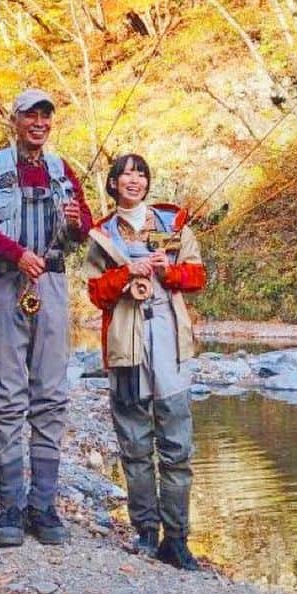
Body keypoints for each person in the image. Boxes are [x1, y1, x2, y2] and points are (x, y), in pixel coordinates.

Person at [0, 87, 94, 547]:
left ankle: (44, 505)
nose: (38, 123)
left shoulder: (62, 170)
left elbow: (84, 232)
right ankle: (10, 507)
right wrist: (16, 254)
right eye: (30, 116)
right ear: (14, 120)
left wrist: (77, 221)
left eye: (45, 117)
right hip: (3, 285)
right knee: (6, 396)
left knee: (52, 394)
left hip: (52, 286)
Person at [86, 153, 206, 571]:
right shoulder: (102, 235)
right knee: (135, 447)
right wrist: (126, 273)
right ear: (114, 184)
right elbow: (96, 293)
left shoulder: (171, 226)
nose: (134, 181)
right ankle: (144, 532)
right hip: (125, 350)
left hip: (170, 346)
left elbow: (196, 276)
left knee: (176, 448)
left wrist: (165, 271)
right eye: (125, 175)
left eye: (141, 174)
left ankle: (177, 539)